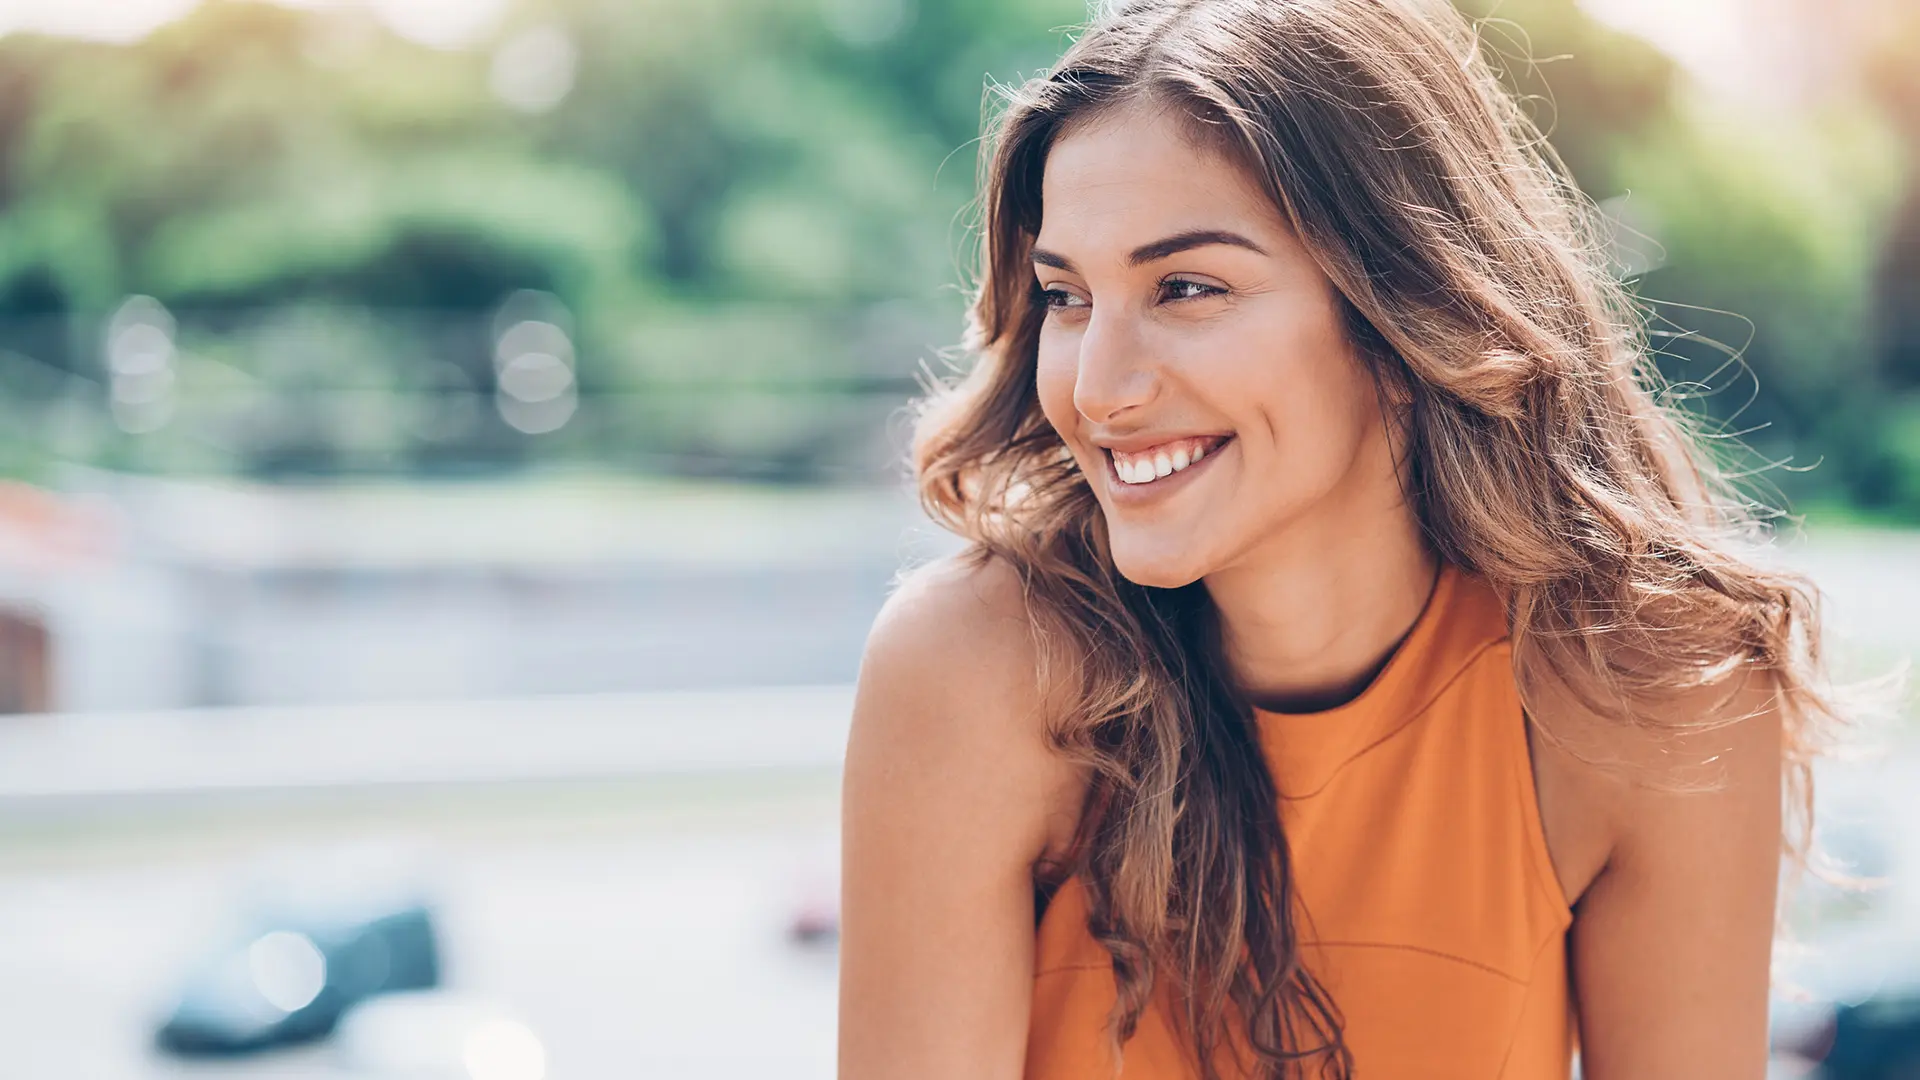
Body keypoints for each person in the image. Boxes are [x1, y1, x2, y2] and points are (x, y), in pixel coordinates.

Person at [837, 1, 1844, 1076]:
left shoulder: (1653, 693)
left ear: (1406, 309)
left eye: (1187, 288)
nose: (1098, 388)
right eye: (1067, 296)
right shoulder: (977, 671)